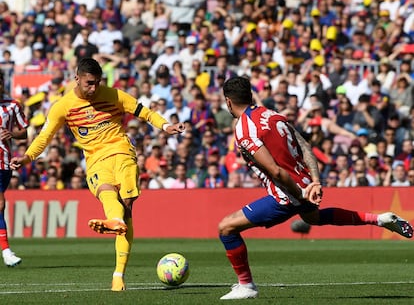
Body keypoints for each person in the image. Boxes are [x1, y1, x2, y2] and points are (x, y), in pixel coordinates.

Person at [218, 77, 413, 300]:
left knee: (226, 228)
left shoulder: (245, 129)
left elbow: (276, 172)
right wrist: (315, 182)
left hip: (287, 194)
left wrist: (300, 193)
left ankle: (246, 285)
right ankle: (379, 219)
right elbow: (305, 147)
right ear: (251, 95)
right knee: (314, 218)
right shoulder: (272, 115)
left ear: (228, 101)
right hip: (304, 184)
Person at [10, 58, 185, 291]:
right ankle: (116, 232)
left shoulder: (114, 95)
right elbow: (44, 137)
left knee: (126, 205)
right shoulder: (63, 106)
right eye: (89, 83)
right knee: (107, 194)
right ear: (77, 78)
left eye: (97, 83)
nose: (93, 89)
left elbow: (145, 112)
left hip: (122, 151)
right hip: (94, 160)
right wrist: (27, 157)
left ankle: (118, 271)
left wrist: (165, 126)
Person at [0, 71, 28, 267]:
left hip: (4, 162)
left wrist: (12, 134)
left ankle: (6, 250)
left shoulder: (13, 105)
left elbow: (23, 133)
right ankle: (6, 251)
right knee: (0, 204)